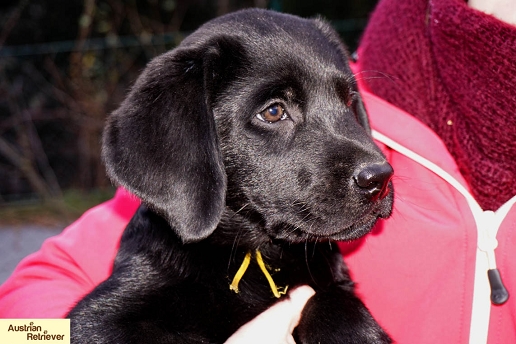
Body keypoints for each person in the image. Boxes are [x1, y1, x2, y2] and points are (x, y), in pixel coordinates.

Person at [1, 0, 514, 343]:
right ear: (185, 150)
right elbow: (15, 330)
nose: (370, 162)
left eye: (346, 102)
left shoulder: (318, 263)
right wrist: (59, 334)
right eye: (274, 112)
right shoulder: (163, 254)